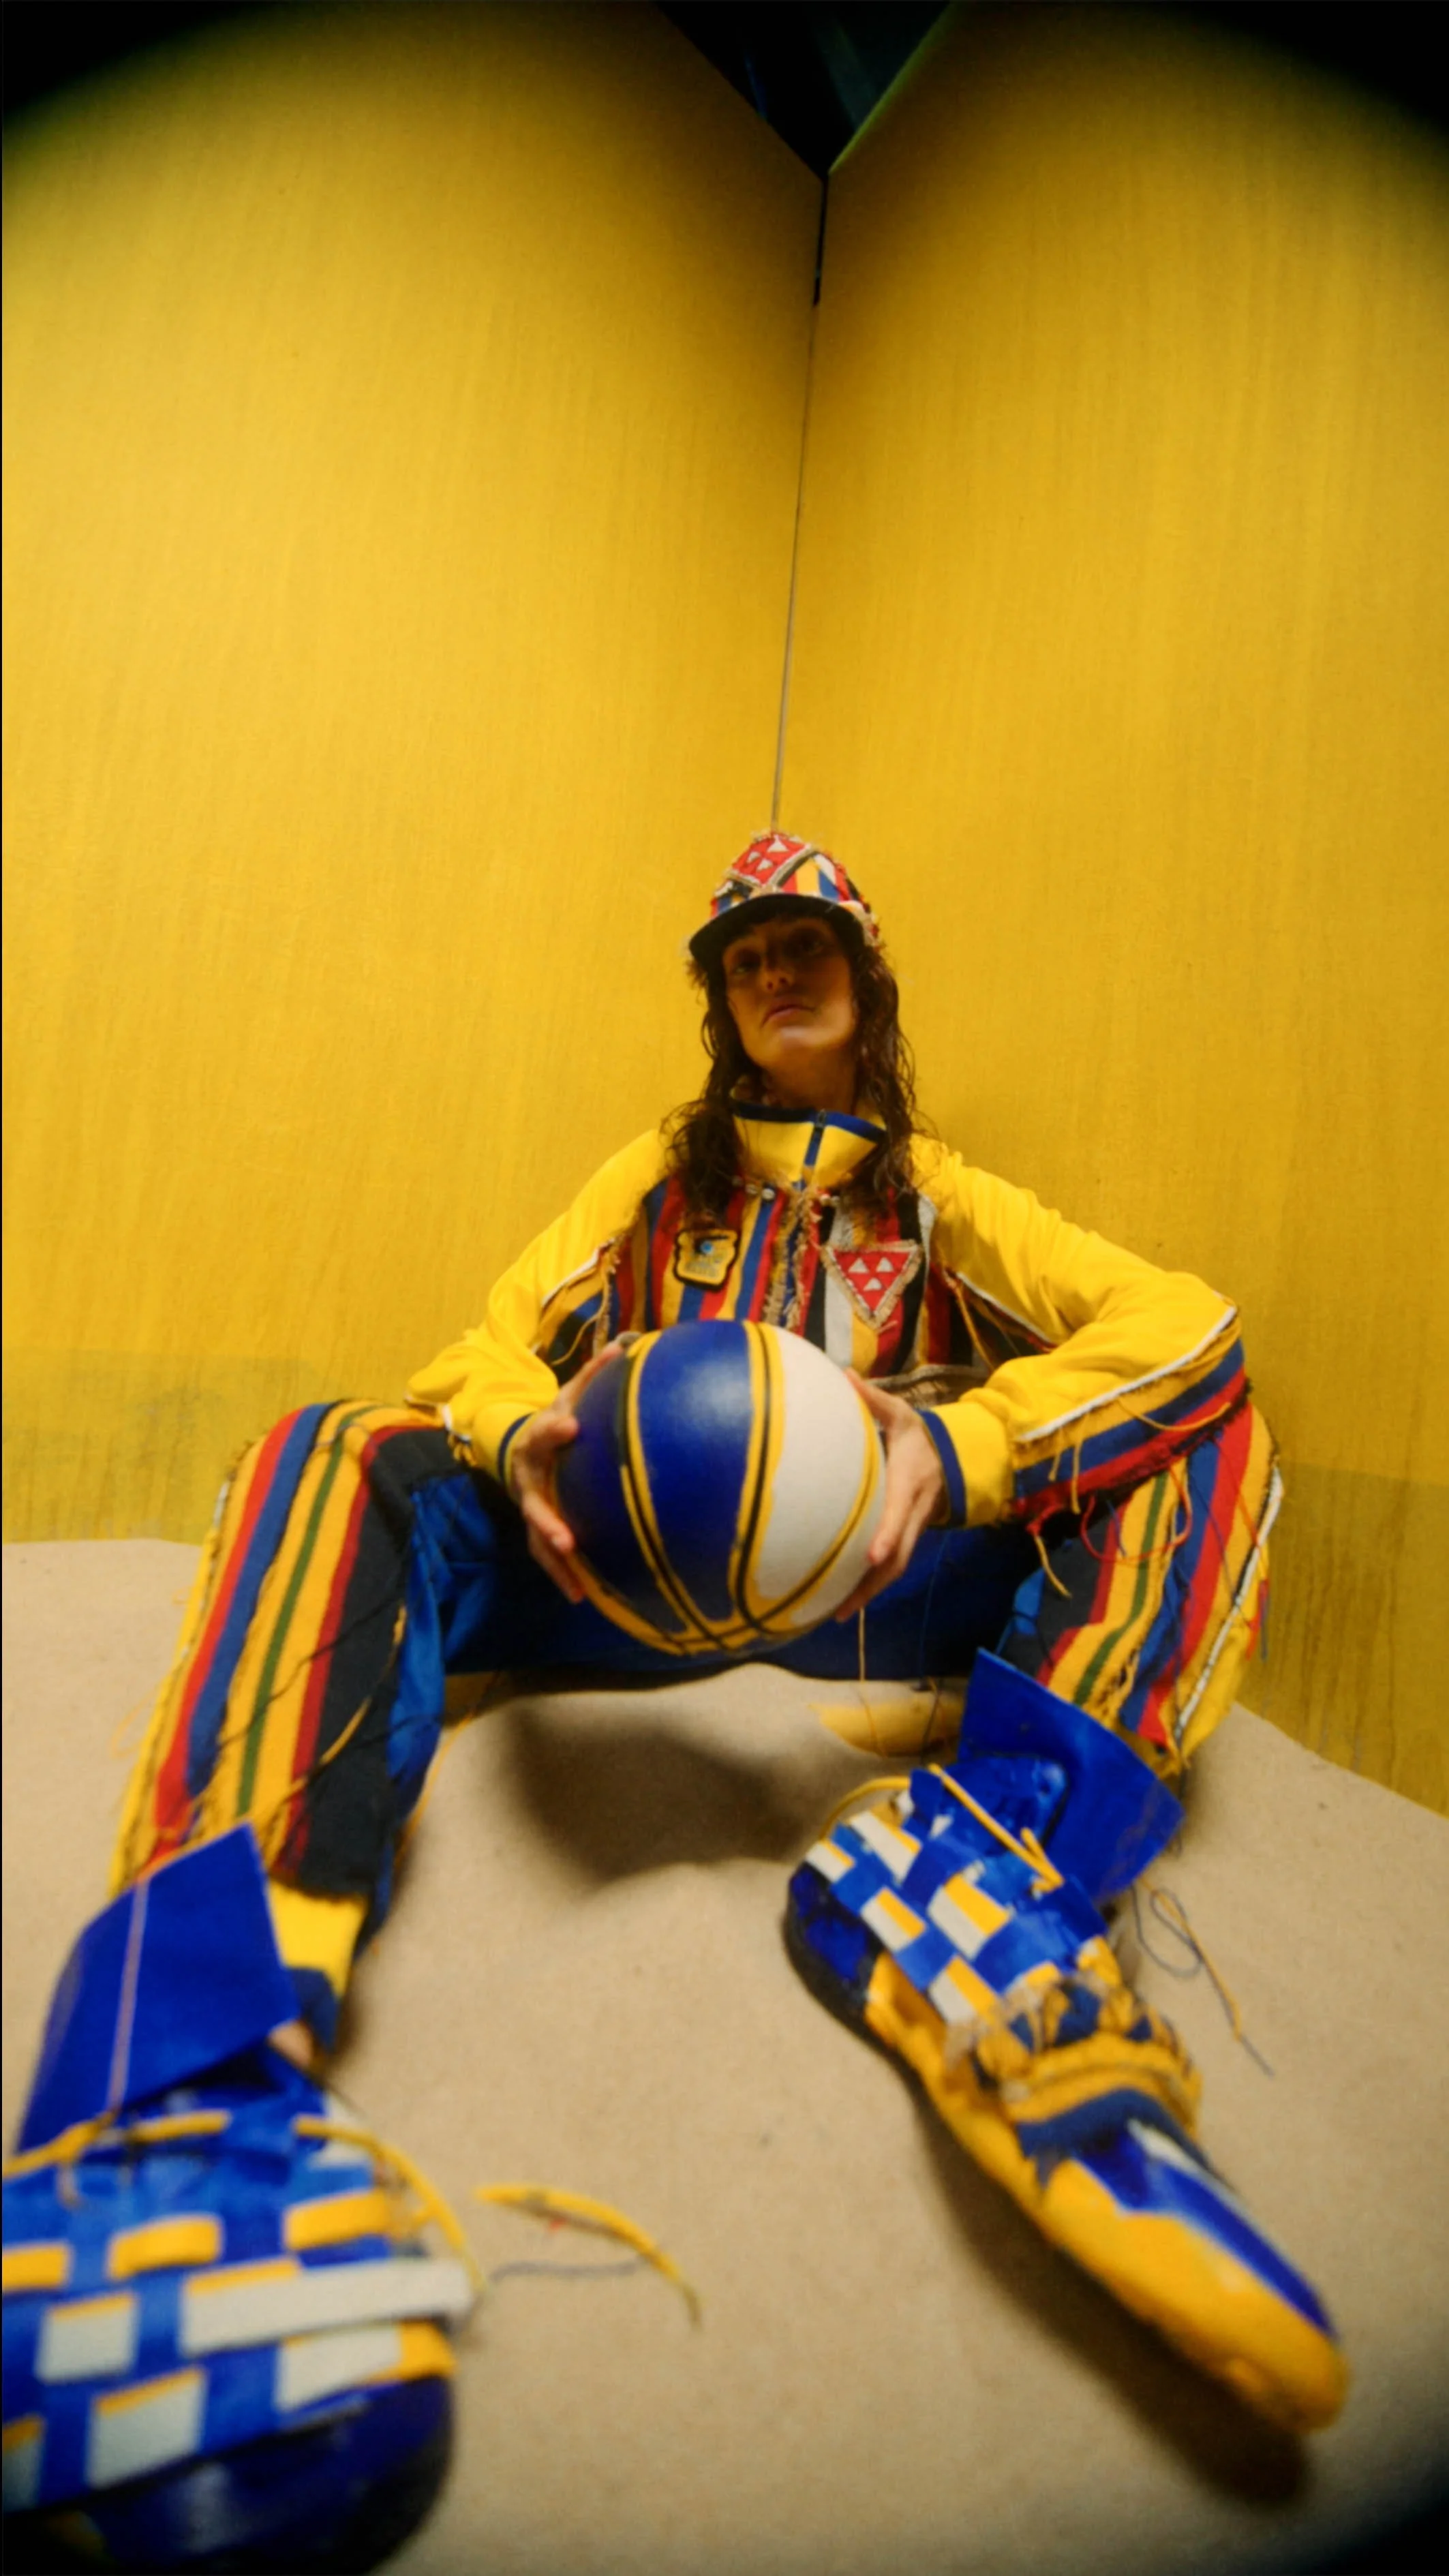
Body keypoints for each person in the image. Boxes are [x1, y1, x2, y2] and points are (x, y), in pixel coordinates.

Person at [1, 834, 1345, 2574]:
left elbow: (1185, 1326)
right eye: (744, 956)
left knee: (1215, 1427)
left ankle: (988, 1876)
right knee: (346, 1445)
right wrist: (523, 1434)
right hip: (618, 1583)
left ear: (867, 980)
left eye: (807, 945)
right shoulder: (658, 1178)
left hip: (867, 1606)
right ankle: (173, 2088)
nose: (776, 972)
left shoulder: (942, 1197)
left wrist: (957, 1449)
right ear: (719, 999)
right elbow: (481, 1344)